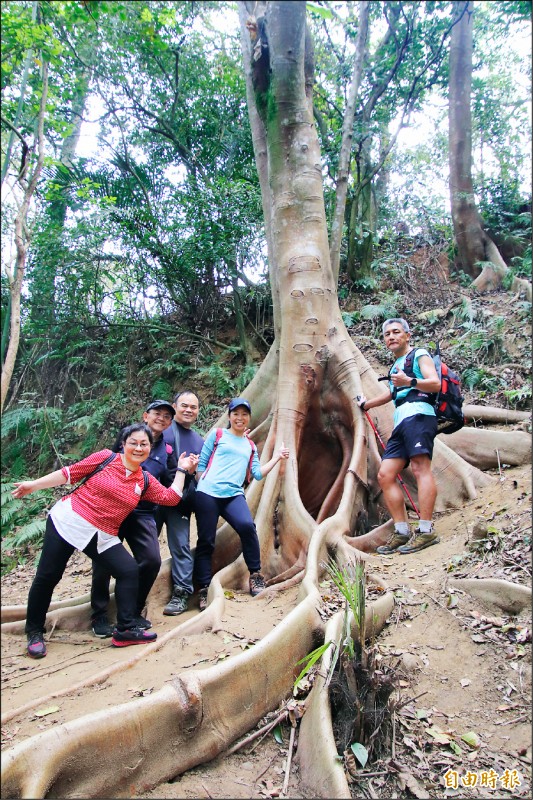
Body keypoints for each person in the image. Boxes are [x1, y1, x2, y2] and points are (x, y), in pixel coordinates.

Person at [12, 423, 198, 659]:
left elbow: (170, 498)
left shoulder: (145, 480)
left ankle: (125, 629)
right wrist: (34, 485)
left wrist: (182, 470)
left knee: (128, 570)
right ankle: (34, 632)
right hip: (68, 520)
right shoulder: (106, 458)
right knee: (48, 576)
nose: (138, 448)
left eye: (144, 444)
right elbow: (69, 473)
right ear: (123, 444)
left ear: (150, 449)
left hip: (101, 533)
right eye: (133, 443)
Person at [90, 400, 178, 638]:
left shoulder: (167, 448)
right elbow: (107, 463)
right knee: (102, 563)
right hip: (113, 508)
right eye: (157, 413)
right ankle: (99, 615)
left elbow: (170, 480)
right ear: (145, 416)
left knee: (150, 560)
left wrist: (185, 477)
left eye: (167, 416)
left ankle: (132, 611)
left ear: (171, 422)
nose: (161, 418)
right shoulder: (129, 436)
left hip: (143, 512)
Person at [193, 397, 289, 610]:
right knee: (206, 541)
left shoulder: (250, 446)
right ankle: (204, 588)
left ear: (248, 418)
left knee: (247, 527)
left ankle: (255, 575)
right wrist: (203, 484)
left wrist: (277, 458)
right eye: (236, 413)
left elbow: (257, 473)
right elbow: (202, 463)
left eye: (244, 414)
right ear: (229, 416)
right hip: (208, 493)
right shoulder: (218, 436)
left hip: (233, 495)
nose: (240, 417)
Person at [357, 318, 442, 555]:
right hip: (401, 422)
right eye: (387, 334)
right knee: (385, 475)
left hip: (420, 415)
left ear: (407, 335)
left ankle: (426, 531)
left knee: (419, 467)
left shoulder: (419, 355)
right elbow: (391, 394)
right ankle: (402, 531)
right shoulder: (395, 366)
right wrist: (367, 404)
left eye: (396, 332)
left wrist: (410, 381)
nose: (391, 337)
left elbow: (435, 384)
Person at [156, 390, 204, 616]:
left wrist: (193, 473)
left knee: (181, 546)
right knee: (144, 546)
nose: (188, 410)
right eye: (184, 405)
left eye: (193, 407)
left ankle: (182, 593)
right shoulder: (159, 430)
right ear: (175, 406)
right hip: (153, 499)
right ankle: (136, 591)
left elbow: (200, 477)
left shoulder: (198, 440)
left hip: (180, 503)